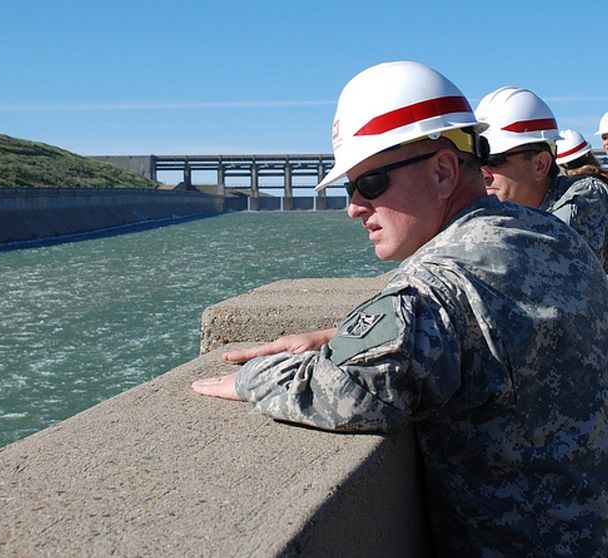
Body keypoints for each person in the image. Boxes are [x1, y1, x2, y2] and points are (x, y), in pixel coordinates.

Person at [192, 61, 608, 556]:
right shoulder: (553, 234)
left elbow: (342, 391)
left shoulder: (437, 287)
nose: (352, 207)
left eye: (370, 184)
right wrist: (338, 333)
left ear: (443, 171)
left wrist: (254, 375)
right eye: (350, 188)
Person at [475, 87, 608, 272]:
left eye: (494, 160)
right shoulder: (500, 213)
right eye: (476, 160)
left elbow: (533, 268)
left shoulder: (585, 197)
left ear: (540, 165)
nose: (483, 172)